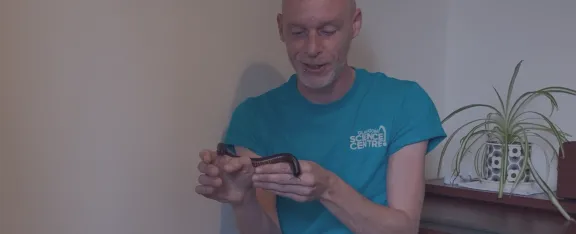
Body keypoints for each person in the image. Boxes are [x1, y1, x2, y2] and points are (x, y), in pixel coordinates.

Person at [196, 0, 446, 233]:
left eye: (327, 31)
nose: (312, 48)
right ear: (281, 28)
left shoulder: (404, 102)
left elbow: (404, 228)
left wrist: (328, 188)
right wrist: (244, 201)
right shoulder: (254, 116)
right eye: (298, 32)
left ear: (355, 24)